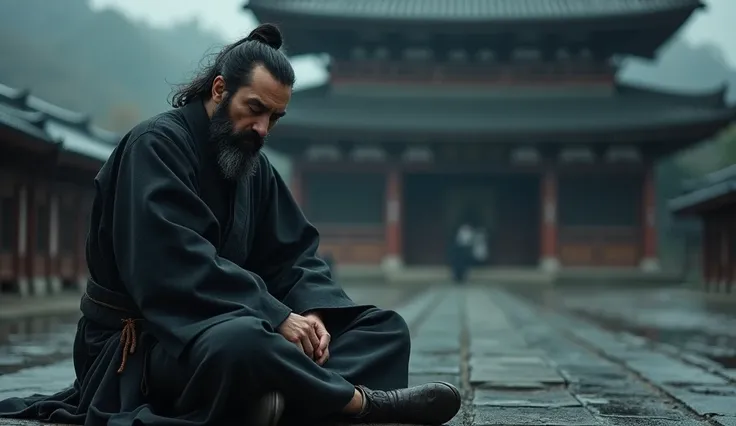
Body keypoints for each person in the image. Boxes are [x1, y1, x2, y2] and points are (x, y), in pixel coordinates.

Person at [0, 24, 460, 426]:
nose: (262, 129)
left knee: (384, 328)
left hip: (233, 328)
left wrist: (313, 313)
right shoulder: (154, 147)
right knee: (244, 344)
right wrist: (276, 316)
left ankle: (277, 399)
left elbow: (295, 256)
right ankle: (358, 404)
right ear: (219, 90)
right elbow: (171, 265)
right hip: (142, 344)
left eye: (274, 118)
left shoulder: (251, 167)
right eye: (254, 108)